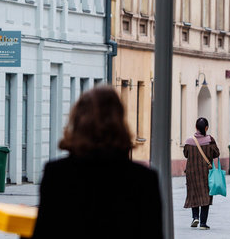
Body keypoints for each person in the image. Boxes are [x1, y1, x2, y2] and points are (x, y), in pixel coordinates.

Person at [33, 86, 161, 238]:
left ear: (77, 120)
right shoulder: (144, 179)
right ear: (120, 122)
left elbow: (44, 232)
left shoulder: (57, 173)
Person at [183, 117, 220, 230]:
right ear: (206, 127)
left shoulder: (189, 141)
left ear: (196, 127)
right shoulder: (210, 140)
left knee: (194, 193)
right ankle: (203, 223)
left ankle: (195, 217)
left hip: (192, 172)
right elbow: (216, 154)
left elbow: (186, 154)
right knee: (205, 195)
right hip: (205, 173)